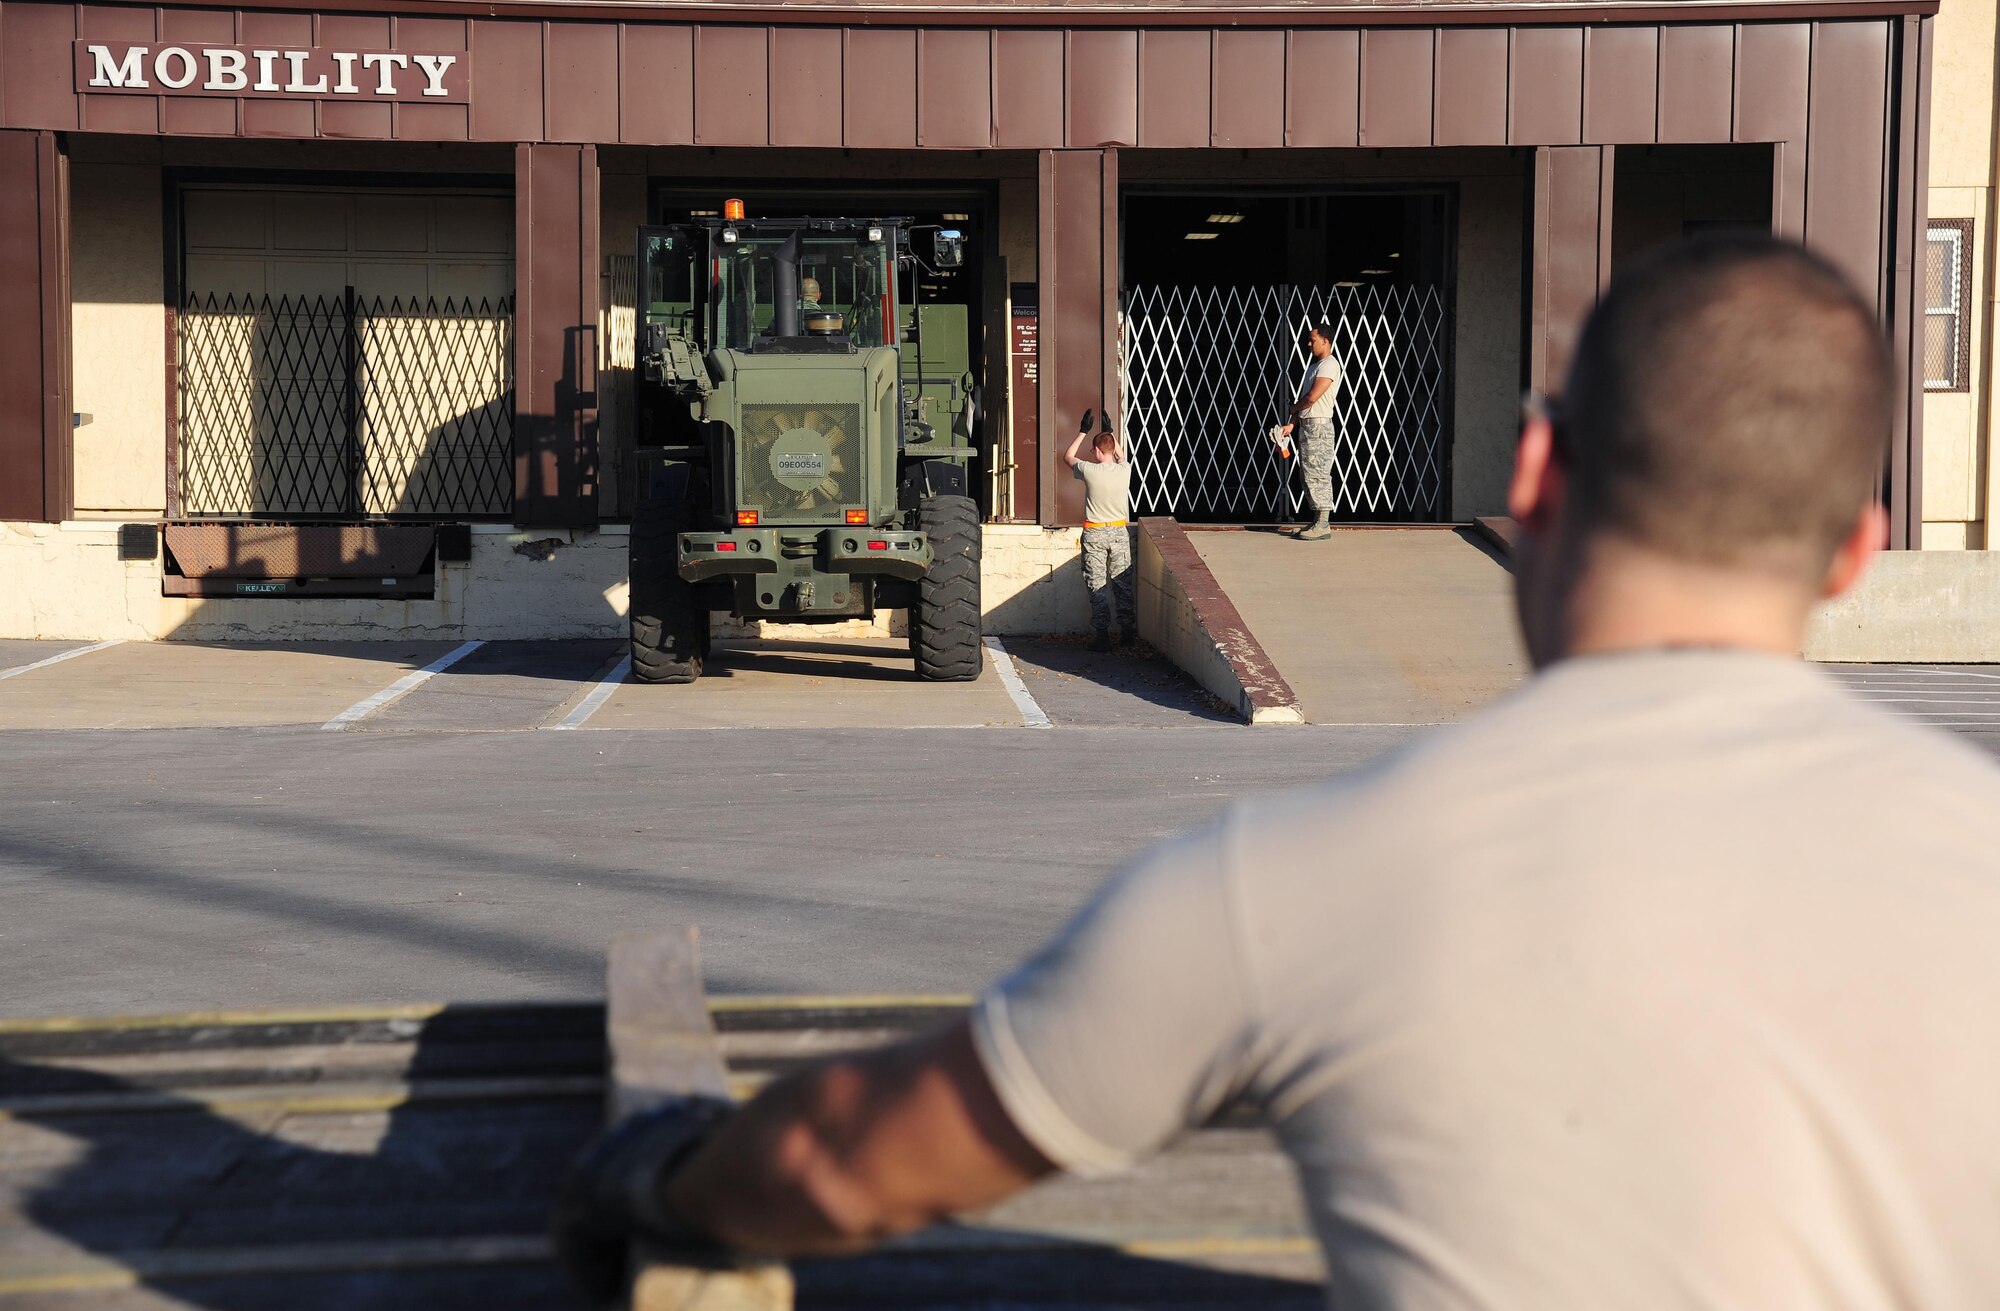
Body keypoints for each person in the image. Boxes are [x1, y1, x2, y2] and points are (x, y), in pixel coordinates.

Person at [556, 235, 2000, 1310]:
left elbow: (843, 1164)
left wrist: (665, 1167)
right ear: (1856, 548)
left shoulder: (1299, 880)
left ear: (1541, 476)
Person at [1064, 408, 1136, 653]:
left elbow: (1068, 456)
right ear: (1112, 449)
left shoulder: (1089, 470)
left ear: (1095, 451)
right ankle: (1128, 633)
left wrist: (1083, 431)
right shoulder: (1124, 470)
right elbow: (1121, 454)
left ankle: (1102, 636)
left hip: (1094, 533)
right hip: (1118, 532)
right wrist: (1112, 433)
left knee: (1097, 584)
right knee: (1122, 583)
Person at [1276, 321, 1340, 541]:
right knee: (1308, 473)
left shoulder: (1329, 365)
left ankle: (1323, 523)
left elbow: (1312, 397)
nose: (1308, 344)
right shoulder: (1314, 366)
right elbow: (1305, 401)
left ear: (1326, 340)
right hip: (1308, 424)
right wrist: (1291, 425)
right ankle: (1317, 519)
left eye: (1312, 340)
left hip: (1319, 427)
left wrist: (1294, 408)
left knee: (1318, 473)